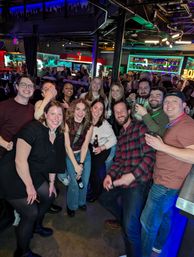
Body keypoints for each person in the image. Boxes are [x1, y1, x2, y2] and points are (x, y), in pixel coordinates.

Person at [0, 100, 66, 257]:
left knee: (49, 195)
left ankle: (35, 226)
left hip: (32, 172)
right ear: (45, 115)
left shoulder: (58, 134)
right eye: (52, 114)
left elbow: (54, 163)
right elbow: (19, 160)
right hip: (12, 174)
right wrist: (29, 187)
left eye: (59, 114)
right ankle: (22, 251)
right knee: (30, 212)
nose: (56, 118)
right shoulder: (33, 129)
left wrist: (51, 183)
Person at [141, 91, 194, 257]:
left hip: (165, 185)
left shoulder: (187, 125)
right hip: (168, 182)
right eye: (167, 101)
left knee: (147, 223)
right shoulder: (174, 123)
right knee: (164, 217)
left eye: (174, 101)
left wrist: (161, 146)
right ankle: (156, 248)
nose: (169, 104)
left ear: (184, 106)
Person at [99, 100, 155, 257]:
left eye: (122, 110)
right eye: (116, 112)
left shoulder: (141, 128)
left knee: (131, 228)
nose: (119, 114)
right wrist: (110, 175)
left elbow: (151, 156)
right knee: (104, 198)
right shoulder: (122, 135)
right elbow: (118, 161)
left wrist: (131, 176)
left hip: (138, 182)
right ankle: (122, 219)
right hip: (122, 180)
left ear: (129, 111)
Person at [34, 80, 62, 214]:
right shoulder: (41, 103)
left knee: (52, 177)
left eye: (52, 88)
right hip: (41, 148)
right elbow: (37, 115)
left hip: (53, 146)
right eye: (47, 88)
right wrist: (47, 98)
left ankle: (48, 201)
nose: (50, 89)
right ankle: (45, 203)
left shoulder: (59, 106)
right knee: (44, 179)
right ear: (42, 92)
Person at [65, 99, 93, 217]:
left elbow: (85, 145)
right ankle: (71, 205)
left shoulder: (89, 125)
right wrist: (76, 166)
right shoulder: (67, 123)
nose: (80, 113)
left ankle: (81, 202)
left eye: (84, 110)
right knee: (74, 183)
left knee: (84, 182)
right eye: (78, 109)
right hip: (70, 154)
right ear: (73, 110)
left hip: (84, 155)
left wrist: (81, 164)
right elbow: (67, 146)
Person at [87, 99, 117, 202]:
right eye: (95, 108)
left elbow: (114, 139)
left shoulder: (105, 124)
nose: (97, 111)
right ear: (91, 108)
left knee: (95, 171)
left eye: (101, 109)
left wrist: (102, 148)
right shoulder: (86, 120)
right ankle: (92, 188)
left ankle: (97, 193)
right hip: (90, 147)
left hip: (102, 149)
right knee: (88, 169)